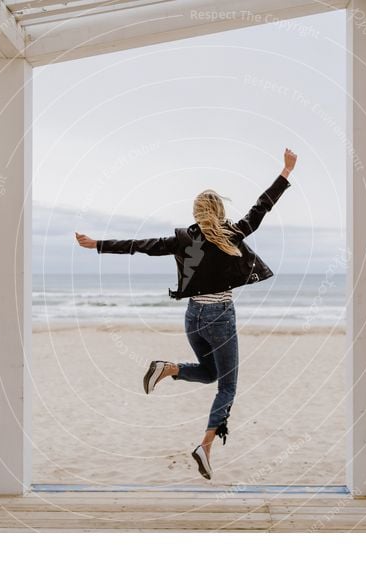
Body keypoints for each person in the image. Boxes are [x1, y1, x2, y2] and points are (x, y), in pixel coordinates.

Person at [75, 147, 298, 479]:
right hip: (220, 317)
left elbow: (141, 245)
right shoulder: (233, 234)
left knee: (210, 373)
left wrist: (98, 245)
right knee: (228, 386)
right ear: (220, 211)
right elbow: (262, 206)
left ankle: (168, 368)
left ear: (196, 212)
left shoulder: (181, 239)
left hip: (193, 317)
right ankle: (205, 447)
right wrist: (286, 172)